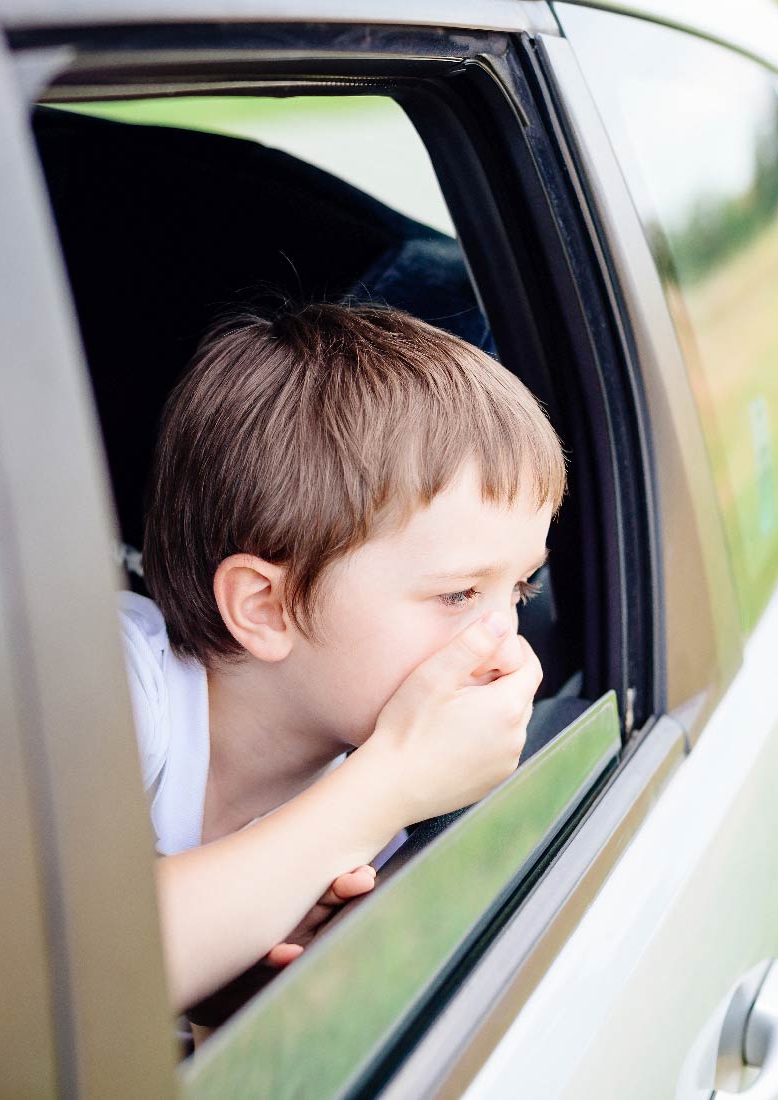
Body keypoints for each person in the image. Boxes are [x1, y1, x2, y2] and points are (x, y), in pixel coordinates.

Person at [120, 301, 565, 1013]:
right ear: (268, 606)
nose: (506, 646)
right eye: (456, 596)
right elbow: (62, 981)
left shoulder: (381, 816)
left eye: (520, 587)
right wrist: (391, 781)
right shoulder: (116, 690)